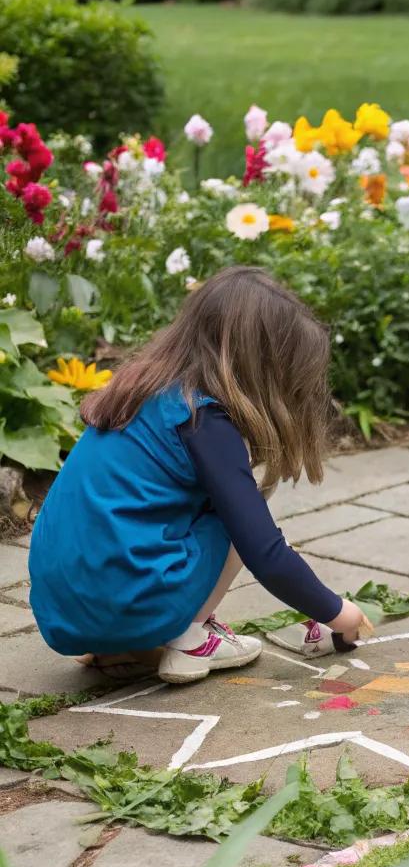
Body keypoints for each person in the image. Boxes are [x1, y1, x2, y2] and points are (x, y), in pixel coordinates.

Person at [29, 266, 365, 685]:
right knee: (239, 519)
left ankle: (117, 644)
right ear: (262, 367)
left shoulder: (142, 389)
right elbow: (264, 550)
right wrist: (338, 612)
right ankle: (190, 638)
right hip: (124, 599)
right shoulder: (202, 419)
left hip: (62, 611)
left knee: (155, 515)